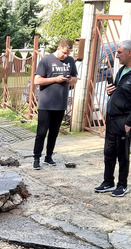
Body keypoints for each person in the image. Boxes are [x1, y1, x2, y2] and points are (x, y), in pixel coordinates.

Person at [95, 40, 131, 197]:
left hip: (125, 119)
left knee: (122, 153)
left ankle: (122, 185)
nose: (117, 55)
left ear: (130, 53)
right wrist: (109, 91)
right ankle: (108, 182)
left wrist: (130, 122)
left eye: (119, 52)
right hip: (113, 117)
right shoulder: (121, 70)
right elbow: (119, 91)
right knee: (109, 152)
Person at [31, 39, 78, 170]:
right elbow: (37, 80)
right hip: (46, 104)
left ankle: (49, 156)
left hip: (60, 103)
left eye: (68, 53)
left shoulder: (70, 61)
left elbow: (75, 79)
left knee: (54, 133)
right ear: (59, 48)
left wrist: (70, 80)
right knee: (41, 133)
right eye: (64, 52)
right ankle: (36, 158)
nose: (66, 55)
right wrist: (55, 79)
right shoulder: (46, 60)